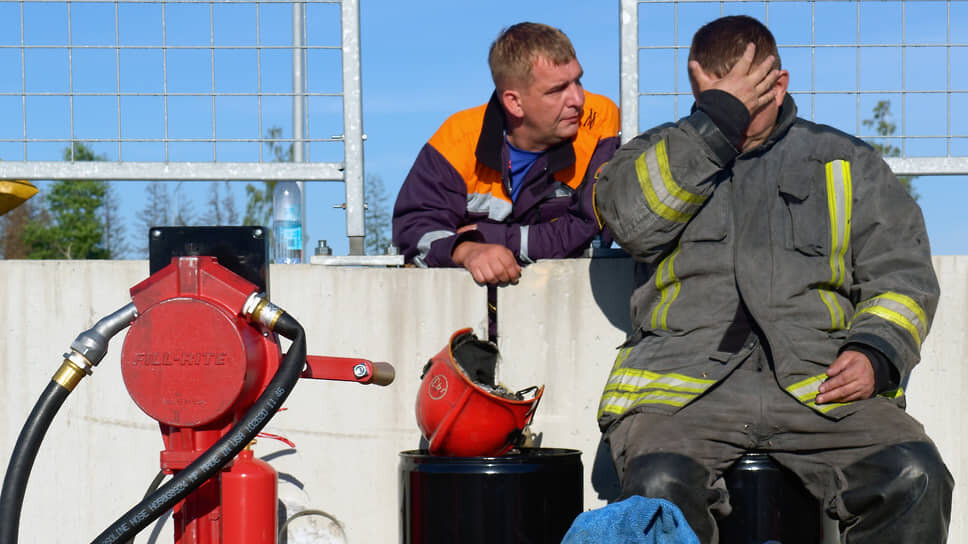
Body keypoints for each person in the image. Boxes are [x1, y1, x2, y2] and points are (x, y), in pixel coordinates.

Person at [593, 15, 952, 543]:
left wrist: (875, 352)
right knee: (658, 486)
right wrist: (713, 123)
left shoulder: (848, 161)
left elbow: (902, 273)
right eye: (716, 101)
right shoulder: (653, 156)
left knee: (914, 475)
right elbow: (630, 224)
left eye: (747, 101)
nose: (734, 119)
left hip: (819, 385)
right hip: (683, 395)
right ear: (697, 85)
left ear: (779, 84)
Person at [392, 22, 619, 286]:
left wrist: (490, 237)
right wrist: (468, 250)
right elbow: (415, 231)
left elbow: (590, 228)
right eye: (557, 90)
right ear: (514, 102)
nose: (578, 100)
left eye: (578, 81)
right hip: (472, 312)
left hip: (567, 300)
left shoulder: (599, 119)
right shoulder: (457, 139)